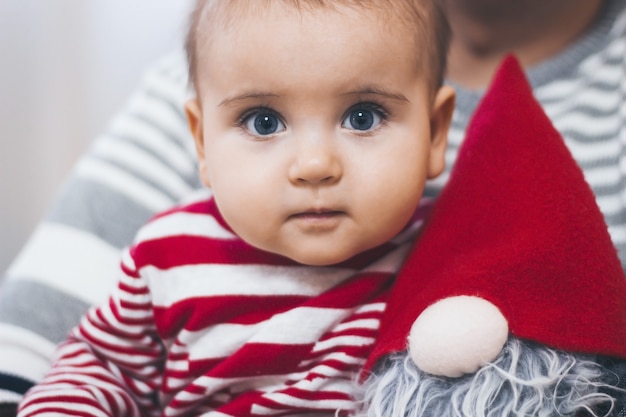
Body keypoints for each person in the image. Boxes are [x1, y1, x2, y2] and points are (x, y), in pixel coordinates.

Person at [1, 0, 625, 414]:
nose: (315, 164)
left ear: (437, 134)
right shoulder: (167, 255)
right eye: (263, 121)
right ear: (201, 142)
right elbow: (100, 366)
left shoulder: (444, 247)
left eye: (363, 116)